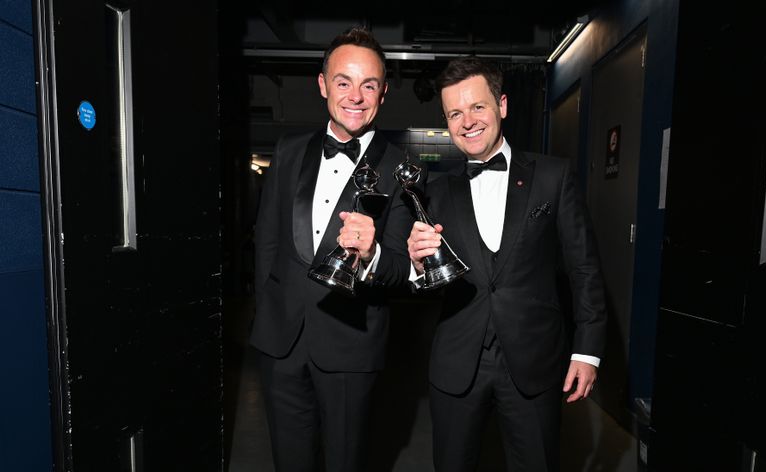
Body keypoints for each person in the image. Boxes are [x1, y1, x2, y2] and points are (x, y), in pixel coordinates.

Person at [406, 56, 608, 471]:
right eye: (454, 113)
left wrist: (587, 352)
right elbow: (427, 281)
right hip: (458, 364)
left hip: (535, 360)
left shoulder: (553, 176)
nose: (467, 121)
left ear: (502, 105)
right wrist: (417, 262)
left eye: (477, 107)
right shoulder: (435, 191)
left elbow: (584, 268)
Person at [251, 27, 418, 472]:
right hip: (280, 341)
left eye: (369, 85)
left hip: (350, 346)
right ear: (323, 84)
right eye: (343, 81)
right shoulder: (288, 151)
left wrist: (374, 253)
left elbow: (403, 269)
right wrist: (266, 312)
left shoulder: (403, 168)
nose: (355, 96)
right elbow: (267, 240)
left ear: (383, 93)